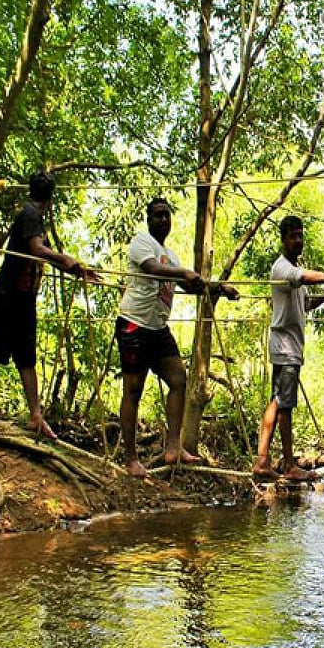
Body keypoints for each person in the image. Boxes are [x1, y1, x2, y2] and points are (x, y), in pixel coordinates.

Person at [116, 197, 238, 477]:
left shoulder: (171, 255)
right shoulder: (142, 243)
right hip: (134, 325)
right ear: (149, 219)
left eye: (166, 216)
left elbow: (190, 286)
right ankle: (131, 458)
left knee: (178, 380)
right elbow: (153, 270)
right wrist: (183, 271)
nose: (163, 220)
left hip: (158, 329)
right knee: (133, 390)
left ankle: (173, 447)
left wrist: (219, 288)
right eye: (158, 216)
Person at [0, 170, 95, 439]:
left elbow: (44, 255)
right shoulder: (30, 214)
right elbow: (38, 250)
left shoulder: (32, 216)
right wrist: (67, 259)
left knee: (26, 357)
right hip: (8, 296)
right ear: (50, 198)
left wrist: (75, 269)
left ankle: (36, 416)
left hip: (22, 299)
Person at [252, 216, 324, 482]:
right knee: (285, 405)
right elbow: (303, 278)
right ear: (283, 239)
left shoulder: (293, 270)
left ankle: (262, 461)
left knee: (277, 401)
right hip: (285, 346)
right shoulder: (282, 269)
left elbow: (305, 303)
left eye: (300, 236)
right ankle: (288, 463)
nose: (298, 241)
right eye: (293, 236)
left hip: (288, 345)